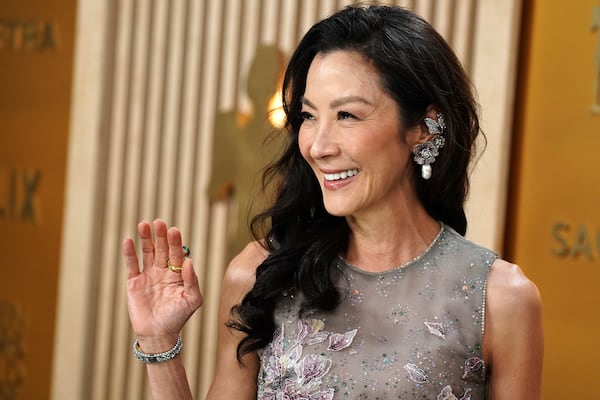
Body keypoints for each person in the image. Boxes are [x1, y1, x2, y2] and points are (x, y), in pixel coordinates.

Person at [122, 5, 543, 399]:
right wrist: (160, 344)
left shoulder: (501, 300)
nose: (318, 146)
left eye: (346, 115)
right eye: (308, 116)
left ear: (425, 128)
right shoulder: (260, 274)